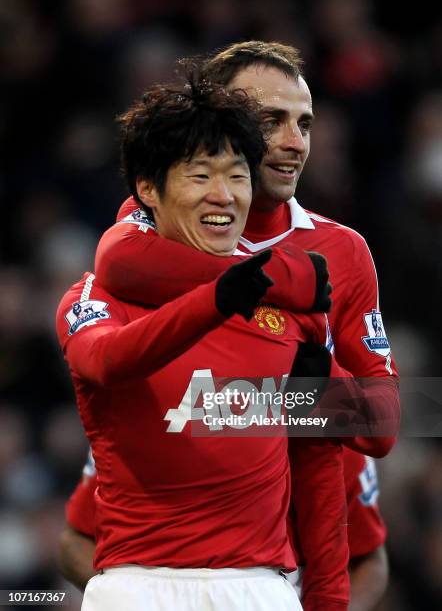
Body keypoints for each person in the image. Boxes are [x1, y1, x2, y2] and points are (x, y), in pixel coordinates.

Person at [56, 71, 348, 611]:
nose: (223, 196)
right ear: (147, 187)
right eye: (199, 175)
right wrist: (215, 299)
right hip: (138, 586)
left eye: (237, 176)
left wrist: (331, 396)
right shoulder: (96, 297)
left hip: (260, 588)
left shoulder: (288, 312)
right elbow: (104, 360)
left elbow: (327, 466)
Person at [94, 41, 400, 459]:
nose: (296, 143)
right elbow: (116, 259)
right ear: (223, 124)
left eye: (304, 124)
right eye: (272, 120)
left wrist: (297, 389)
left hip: (305, 511)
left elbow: (382, 423)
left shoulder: (343, 249)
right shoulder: (167, 221)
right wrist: (279, 281)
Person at [59, 447, 388, 611]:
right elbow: (74, 539)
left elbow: (370, 560)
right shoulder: (145, 414)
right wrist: (135, 591)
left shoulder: (337, 441)